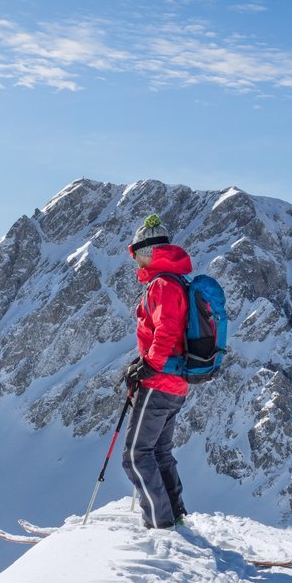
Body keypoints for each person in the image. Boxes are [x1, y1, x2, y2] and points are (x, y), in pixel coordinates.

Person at [121, 213, 191, 530]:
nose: (135, 261)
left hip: (160, 382)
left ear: (148, 252)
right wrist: (143, 363)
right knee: (160, 451)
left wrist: (147, 366)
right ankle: (174, 513)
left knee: (136, 455)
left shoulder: (163, 284)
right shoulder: (173, 281)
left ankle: (160, 524)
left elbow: (167, 331)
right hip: (174, 383)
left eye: (136, 254)